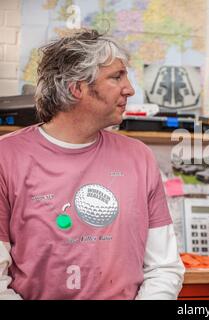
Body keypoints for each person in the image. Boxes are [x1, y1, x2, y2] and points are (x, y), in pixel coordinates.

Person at [0, 29, 185, 300]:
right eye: (116, 76)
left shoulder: (139, 157)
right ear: (77, 88)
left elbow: (164, 267)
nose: (130, 89)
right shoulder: (6, 157)